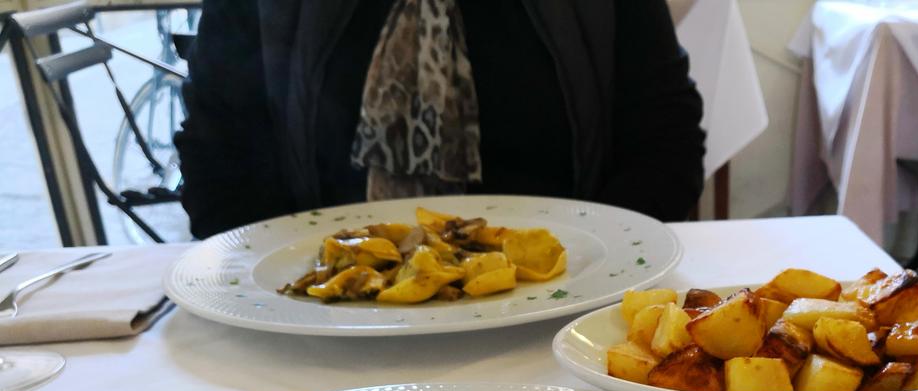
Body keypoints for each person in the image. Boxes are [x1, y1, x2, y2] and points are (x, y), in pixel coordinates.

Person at [175, 0, 706, 238]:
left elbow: (665, 140)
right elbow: (218, 156)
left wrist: (591, 263)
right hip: (320, 327)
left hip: (558, 317)